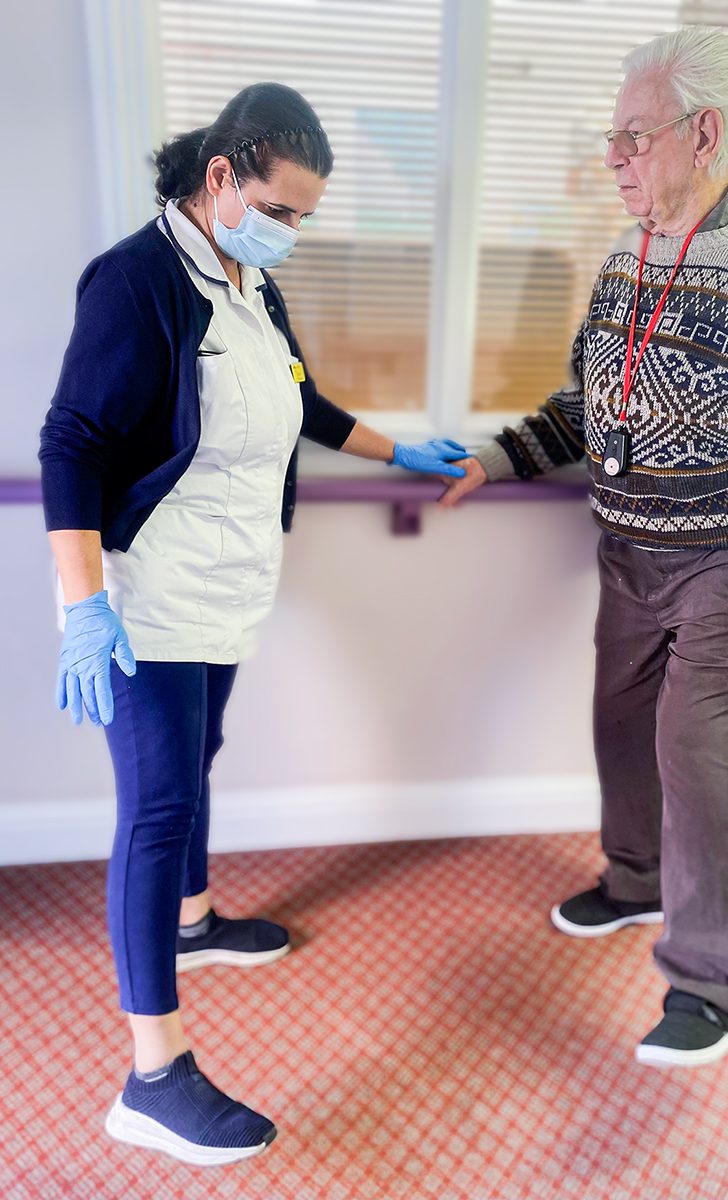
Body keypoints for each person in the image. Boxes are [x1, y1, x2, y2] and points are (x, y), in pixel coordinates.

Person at [39, 82, 466, 1166]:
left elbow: (298, 397)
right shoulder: (137, 280)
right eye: (283, 209)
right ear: (222, 176)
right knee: (157, 805)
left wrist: (396, 449)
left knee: (202, 761)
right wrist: (81, 608)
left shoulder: (244, 280)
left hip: (228, 591)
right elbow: (72, 446)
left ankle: (194, 919)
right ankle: (151, 1077)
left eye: (305, 218)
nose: (291, 233)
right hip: (144, 599)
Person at [441, 27, 728, 1067]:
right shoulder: (628, 253)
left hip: (725, 566)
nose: (611, 158)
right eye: (610, 138)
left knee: (697, 760)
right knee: (618, 730)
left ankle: (711, 988)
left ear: (703, 135)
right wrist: (500, 458)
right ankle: (635, 881)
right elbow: (589, 401)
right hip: (626, 555)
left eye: (629, 137)